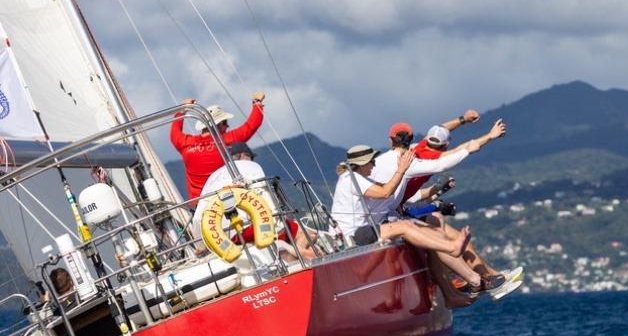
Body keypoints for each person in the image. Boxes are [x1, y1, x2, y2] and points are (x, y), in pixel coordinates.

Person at [368, 119, 511, 296]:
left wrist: (463, 119)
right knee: (442, 236)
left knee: (445, 230)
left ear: (390, 141)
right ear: (412, 138)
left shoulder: (385, 159)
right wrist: (489, 136)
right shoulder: (413, 160)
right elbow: (450, 157)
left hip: (387, 212)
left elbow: (441, 128)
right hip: (389, 217)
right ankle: (474, 280)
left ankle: (487, 278)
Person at [330, 145, 476, 277]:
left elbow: (389, 188)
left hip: (357, 232)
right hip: (354, 235)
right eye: (371, 162)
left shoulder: (353, 178)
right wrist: (401, 169)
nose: (374, 165)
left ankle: (449, 258)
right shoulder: (353, 179)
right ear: (361, 164)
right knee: (405, 227)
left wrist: (435, 189)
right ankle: (452, 248)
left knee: (407, 224)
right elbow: (386, 192)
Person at [191, 142, 317, 260]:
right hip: (252, 229)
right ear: (244, 156)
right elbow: (264, 196)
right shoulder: (251, 166)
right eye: (250, 156)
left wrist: (201, 246)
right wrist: (277, 221)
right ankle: (301, 253)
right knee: (309, 234)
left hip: (219, 239)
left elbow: (197, 218)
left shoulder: (213, 177)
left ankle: (291, 252)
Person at [170, 92, 265, 201]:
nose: (228, 125)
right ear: (218, 124)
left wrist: (182, 109)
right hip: (228, 199)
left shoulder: (185, 143)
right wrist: (257, 103)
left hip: (200, 206)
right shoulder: (227, 140)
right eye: (225, 122)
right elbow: (252, 125)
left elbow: (174, 132)